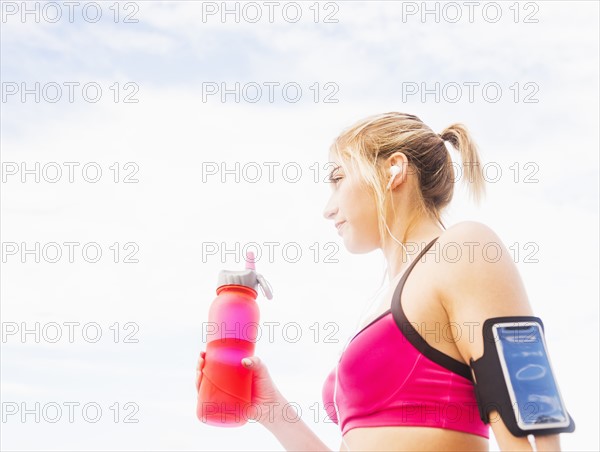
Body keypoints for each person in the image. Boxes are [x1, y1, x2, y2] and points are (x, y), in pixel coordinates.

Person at [196, 112, 563, 451]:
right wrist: (272, 410)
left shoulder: (464, 249)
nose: (328, 208)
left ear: (393, 170)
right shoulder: (380, 300)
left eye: (338, 179)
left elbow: (531, 408)